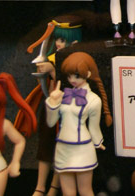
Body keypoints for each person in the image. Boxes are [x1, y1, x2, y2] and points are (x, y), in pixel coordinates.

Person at [15, 16, 83, 196]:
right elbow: (44, 83)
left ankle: (54, 187)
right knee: (45, 146)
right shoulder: (51, 56)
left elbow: (72, 83)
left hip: (68, 110)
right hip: (50, 106)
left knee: (62, 149)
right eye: (58, 39)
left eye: (63, 40)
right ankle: (40, 186)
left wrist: (52, 70)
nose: (59, 43)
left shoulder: (77, 61)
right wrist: (44, 71)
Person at [45, 52, 112, 196]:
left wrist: (98, 142)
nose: (72, 80)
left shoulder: (94, 100)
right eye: (69, 76)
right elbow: (51, 122)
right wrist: (53, 102)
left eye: (76, 75)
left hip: (83, 149)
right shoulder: (63, 96)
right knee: (68, 192)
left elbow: (93, 127)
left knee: (85, 191)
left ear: (88, 74)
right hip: (63, 148)